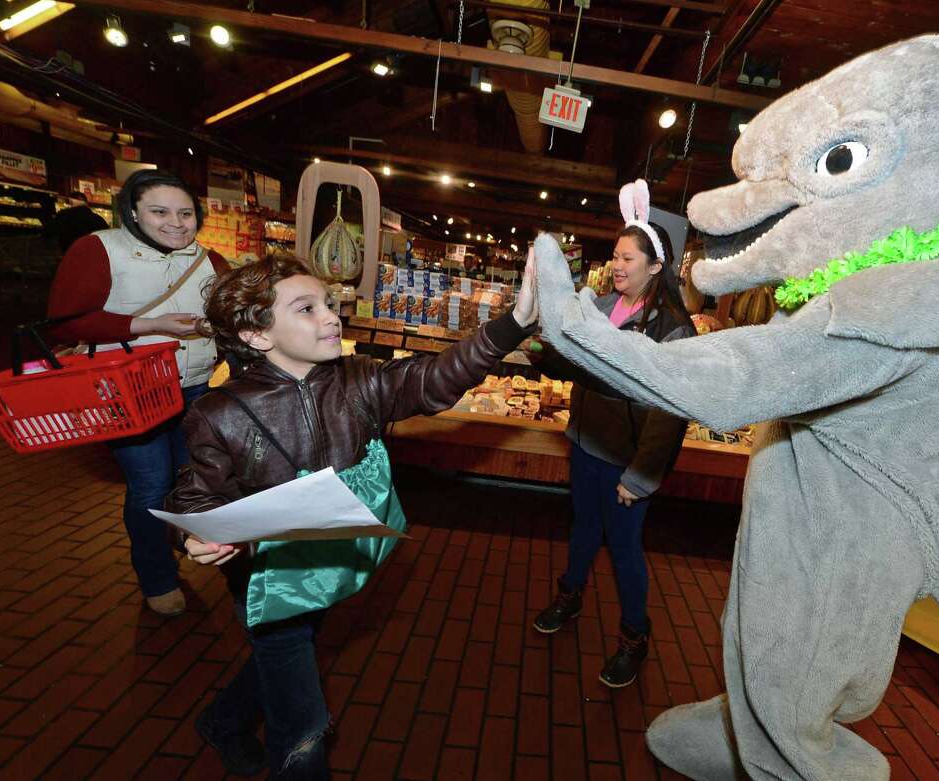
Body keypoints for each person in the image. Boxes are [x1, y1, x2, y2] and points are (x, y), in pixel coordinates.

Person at [164, 249, 537, 778]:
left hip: (333, 562)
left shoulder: (358, 379)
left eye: (327, 302)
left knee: (291, 653)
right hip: (270, 579)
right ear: (256, 335)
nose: (330, 316)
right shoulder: (218, 413)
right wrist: (196, 537)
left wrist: (513, 324)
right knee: (305, 724)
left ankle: (225, 720)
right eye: (306, 308)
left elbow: (432, 379)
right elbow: (195, 497)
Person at [531, 180, 695, 688]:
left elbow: (669, 413)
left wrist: (642, 475)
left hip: (628, 466)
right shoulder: (600, 308)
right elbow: (575, 366)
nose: (618, 265)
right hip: (585, 444)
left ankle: (634, 637)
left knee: (624, 551)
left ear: (655, 266)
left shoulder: (672, 330)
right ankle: (570, 595)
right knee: (582, 529)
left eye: (628, 257)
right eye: (615, 255)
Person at [48, 169, 225, 617]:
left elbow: (231, 311)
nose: (176, 223)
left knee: (191, 478)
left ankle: (179, 541)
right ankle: (156, 576)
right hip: (126, 392)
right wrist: (150, 325)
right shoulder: (97, 250)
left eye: (186, 213)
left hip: (195, 386)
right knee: (150, 483)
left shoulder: (208, 259)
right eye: (160, 211)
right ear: (132, 211)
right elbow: (64, 322)